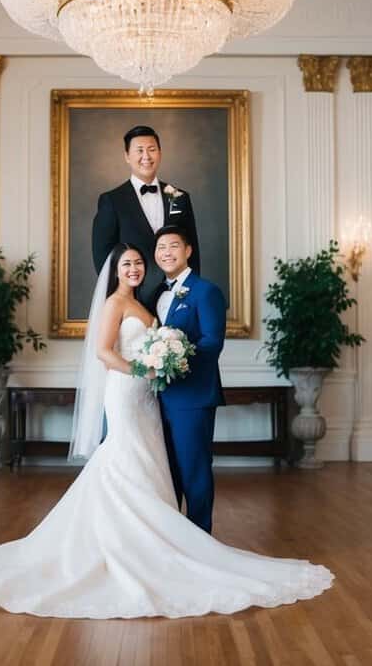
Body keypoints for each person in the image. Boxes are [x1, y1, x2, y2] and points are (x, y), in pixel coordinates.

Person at [0, 243, 333, 619]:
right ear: (115, 270)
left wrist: (159, 364)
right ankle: (129, 545)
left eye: (138, 262)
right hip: (129, 389)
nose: (134, 268)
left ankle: (175, 544)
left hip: (152, 395)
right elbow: (102, 351)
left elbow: (195, 342)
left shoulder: (156, 299)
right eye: (127, 263)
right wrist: (143, 367)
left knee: (158, 464)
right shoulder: (116, 303)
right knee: (126, 458)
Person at [149, 225, 224, 533]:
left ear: (188, 250)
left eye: (173, 246)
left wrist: (175, 360)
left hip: (192, 397)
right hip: (157, 398)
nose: (167, 252)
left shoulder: (206, 291)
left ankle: (201, 538)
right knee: (167, 474)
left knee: (194, 471)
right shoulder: (155, 292)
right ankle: (174, 539)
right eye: (161, 247)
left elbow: (211, 342)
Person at [91, 125, 200, 301]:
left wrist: (190, 294)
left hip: (175, 295)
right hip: (133, 297)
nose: (146, 157)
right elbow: (103, 258)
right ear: (127, 156)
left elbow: (191, 249)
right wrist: (121, 296)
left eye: (152, 150)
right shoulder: (111, 200)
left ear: (160, 153)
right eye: (139, 150)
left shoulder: (180, 197)